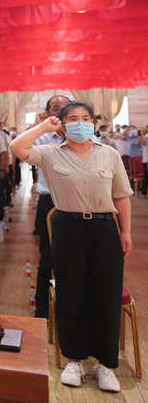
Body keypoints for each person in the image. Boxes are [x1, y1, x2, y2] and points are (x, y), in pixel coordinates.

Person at [11, 102, 132, 393]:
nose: (81, 123)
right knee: (70, 293)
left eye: (86, 118)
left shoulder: (109, 153)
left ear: (94, 122)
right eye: (73, 119)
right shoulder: (50, 153)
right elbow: (17, 147)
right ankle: (73, 360)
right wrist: (43, 126)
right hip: (68, 228)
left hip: (104, 227)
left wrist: (126, 232)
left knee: (107, 293)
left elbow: (122, 195)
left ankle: (106, 364)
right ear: (63, 125)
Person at [31, 94, 69, 319]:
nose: (62, 111)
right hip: (50, 202)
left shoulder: (87, 137)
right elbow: (20, 147)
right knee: (47, 257)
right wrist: (38, 126)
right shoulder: (43, 138)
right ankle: (43, 308)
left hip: (79, 202)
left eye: (66, 107)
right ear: (48, 113)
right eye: (56, 108)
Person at [138, 127, 148, 197]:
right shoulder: (145, 137)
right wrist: (142, 134)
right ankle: (144, 192)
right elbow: (138, 143)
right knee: (146, 176)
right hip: (147, 160)